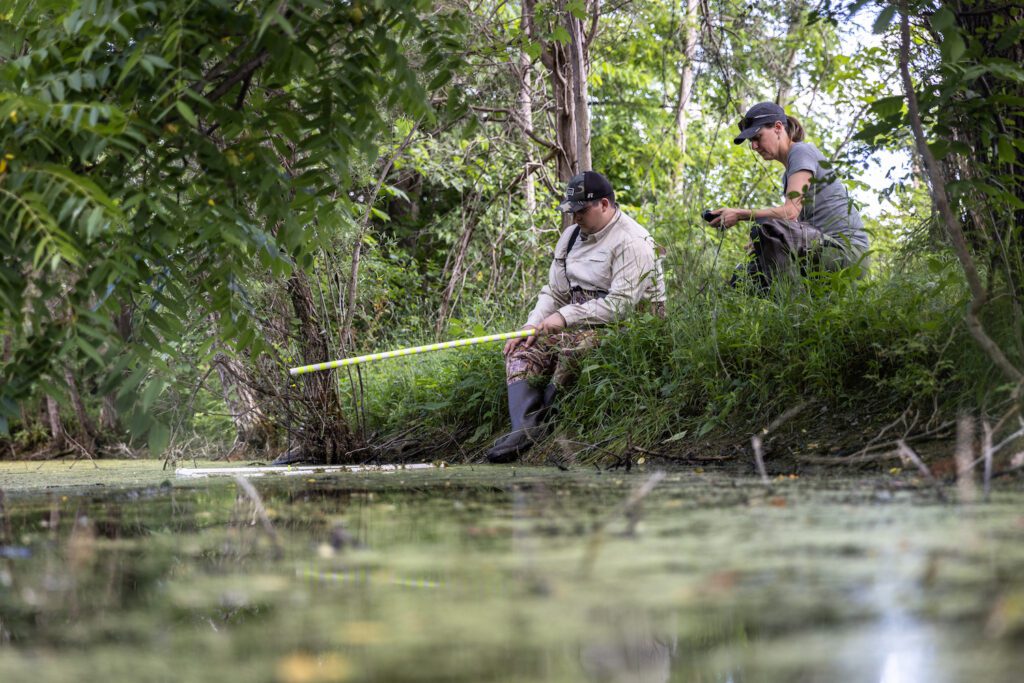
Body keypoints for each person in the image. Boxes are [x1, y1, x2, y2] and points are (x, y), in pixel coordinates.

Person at [485, 171, 666, 464]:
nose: (575, 217)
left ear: (605, 205)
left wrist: (565, 317)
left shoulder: (633, 241)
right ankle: (524, 427)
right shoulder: (569, 237)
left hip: (629, 324)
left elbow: (621, 306)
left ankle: (551, 414)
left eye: (581, 210)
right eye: (572, 211)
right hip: (576, 318)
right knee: (521, 348)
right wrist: (532, 324)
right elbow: (554, 292)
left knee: (575, 347)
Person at [710, 101, 870, 291]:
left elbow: (790, 212)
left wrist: (740, 214)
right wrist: (765, 245)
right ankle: (793, 311)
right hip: (826, 249)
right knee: (746, 276)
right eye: (750, 141)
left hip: (848, 253)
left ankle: (798, 312)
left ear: (778, 127)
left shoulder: (801, 151)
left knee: (766, 228)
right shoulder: (789, 172)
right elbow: (796, 223)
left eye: (758, 137)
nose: (753, 146)